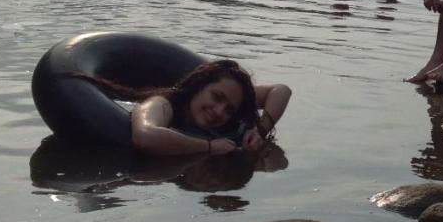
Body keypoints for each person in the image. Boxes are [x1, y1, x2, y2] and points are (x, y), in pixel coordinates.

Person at [77, 60, 292, 157]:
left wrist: (260, 130)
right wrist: (208, 147)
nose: (219, 111)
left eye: (229, 110)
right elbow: (145, 136)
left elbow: (282, 90)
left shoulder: (228, 116)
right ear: (198, 86)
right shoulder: (161, 104)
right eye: (216, 97)